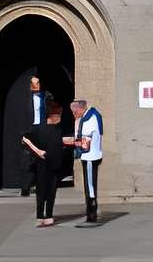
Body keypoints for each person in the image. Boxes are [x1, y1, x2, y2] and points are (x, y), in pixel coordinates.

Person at [21, 102, 68, 227]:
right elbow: (24, 139)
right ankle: (40, 215)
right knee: (41, 191)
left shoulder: (59, 129)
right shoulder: (37, 128)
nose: (60, 117)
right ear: (52, 115)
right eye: (59, 115)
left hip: (55, 165)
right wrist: (37, 151)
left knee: (52, 191)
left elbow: (58, 144)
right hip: (41, 165)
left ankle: (49, 215)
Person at [66, 96, 104, 224]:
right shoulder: (94, 114)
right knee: (90, 185)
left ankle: (91, 214)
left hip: (89, 157)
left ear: (80, 109)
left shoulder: (88, 121)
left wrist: (68, 141)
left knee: (90, 187)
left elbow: (84, 144)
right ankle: (91, 212)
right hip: (94, 155)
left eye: (75, 112)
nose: (74, 114)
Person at [16, 72, 50, 197]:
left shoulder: (45, 97)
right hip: (29, 130)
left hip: (42, 129)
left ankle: (40, 184)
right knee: (27, 159)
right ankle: (25, 186)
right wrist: (22, 133)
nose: (37, 86)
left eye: (38, 83)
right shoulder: (25, 99)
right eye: (34, 84)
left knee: (42, 157)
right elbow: (20, 117)